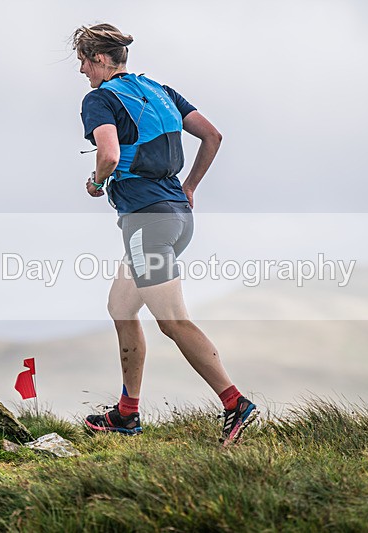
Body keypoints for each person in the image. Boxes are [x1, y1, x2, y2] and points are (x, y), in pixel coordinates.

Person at [72, 23, 256, 445]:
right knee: (121, 306)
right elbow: (213, 135)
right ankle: (126, 414)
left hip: (146, 222)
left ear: (100, 59)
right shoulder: (160, 90)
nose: (81, 69)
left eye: (84, 60)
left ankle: (234, 403)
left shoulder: (99, 100)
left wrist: (98, 182)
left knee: (172, 321)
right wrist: (189, 187)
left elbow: (110, 154)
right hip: (176, 216)